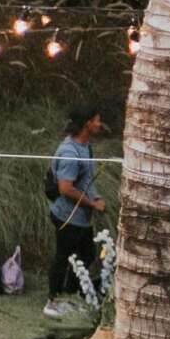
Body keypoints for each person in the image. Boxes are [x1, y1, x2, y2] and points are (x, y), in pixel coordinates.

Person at [46, 105, 109, 314]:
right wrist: (92, 204)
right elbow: (66, 189)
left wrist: (96, 195)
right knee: (64, 258)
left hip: (81, 218)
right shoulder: (70, 153)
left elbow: (86, 180)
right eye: (97, 120)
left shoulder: (85, 146)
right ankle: (53, 300)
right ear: (87, 124)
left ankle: (71, 292)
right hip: (67, 217)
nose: (100, 124)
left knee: (86, 254)